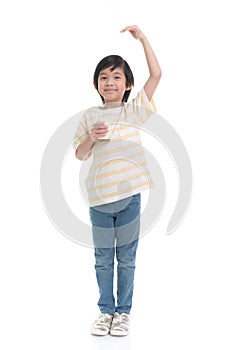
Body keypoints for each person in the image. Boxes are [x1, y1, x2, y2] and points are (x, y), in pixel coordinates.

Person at [73, 25, 162, 336]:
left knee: (126, 259)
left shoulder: (134, 111)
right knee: (102, 260)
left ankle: (123, 312)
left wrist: (144, 40)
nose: (109, 82)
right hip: (98, 199)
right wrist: (92, 140)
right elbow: (80, 154)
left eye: (116, 77)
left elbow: (156, 75)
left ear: (127, 85)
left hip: (129, 200)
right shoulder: (88, 116)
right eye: (103, 77)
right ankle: (105, 311)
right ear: (96, 84)